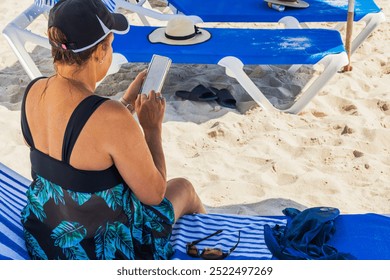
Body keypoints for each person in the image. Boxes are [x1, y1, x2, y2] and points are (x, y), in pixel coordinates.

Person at [20, 0, 206, 260]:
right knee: (183, 189)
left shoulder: (34, 92)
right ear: (99, 52)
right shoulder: (111, 118)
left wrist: (127, 104)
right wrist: (151, 128)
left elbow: (78, 147)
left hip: (47, 239)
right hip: (101, 251)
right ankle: (214, 233)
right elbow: (154, 195)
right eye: (110, 45)